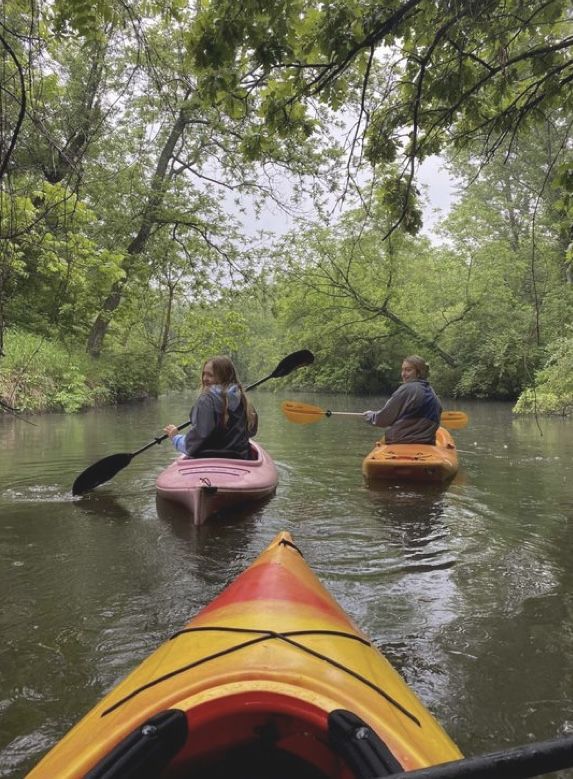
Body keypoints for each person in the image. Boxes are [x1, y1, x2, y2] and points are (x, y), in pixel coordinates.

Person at [164, 356, 258, 459]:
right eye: (204, 374)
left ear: (223, 377)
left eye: (210, 375)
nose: (205, 378)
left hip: (208, 460)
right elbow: (251, 432)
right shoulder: (243, 399)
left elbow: (194, 445)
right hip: (239, 459)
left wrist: (175, 438)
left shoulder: (206, 400)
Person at [363, 355, 442, 444]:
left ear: (419, 372)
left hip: (402, 442)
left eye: (408, 370)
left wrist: (370, 416)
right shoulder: (431, 391)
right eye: (403, 370)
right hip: (427, 443)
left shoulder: (407, 389)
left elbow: (383, 420)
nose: (403, 374)